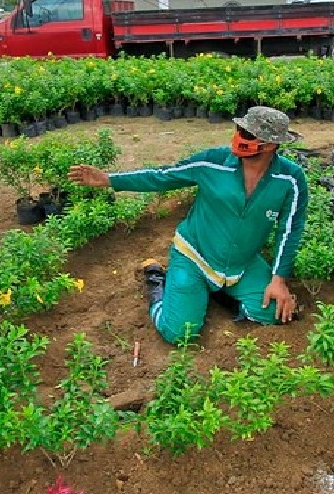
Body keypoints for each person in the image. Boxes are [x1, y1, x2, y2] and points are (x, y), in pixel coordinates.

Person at [67, 106, 308, 343]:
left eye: (246, 134)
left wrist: (278, 280)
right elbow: (163, 176)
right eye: (238, 129)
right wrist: (109, 179)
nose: (238, 137)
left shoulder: (290, 179)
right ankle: (157, 285)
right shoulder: (212, 163)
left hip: (241, 263)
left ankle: (214, 292)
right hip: (194, 256)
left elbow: (290, 230)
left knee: (274, 313)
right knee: (180, 334)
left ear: (270, 145)